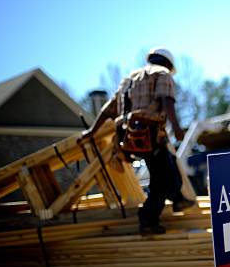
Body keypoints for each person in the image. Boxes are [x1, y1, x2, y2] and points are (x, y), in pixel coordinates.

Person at [82, 46, 194, 234]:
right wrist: (176, 127)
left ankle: (178, 199)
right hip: (150, 135)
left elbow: (110, 109)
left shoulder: (129, 79)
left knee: (168, 166)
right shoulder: (163, 73)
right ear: (167, 63)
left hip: (129, 138)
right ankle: (148, 220)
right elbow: (167, 100)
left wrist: (92, 131)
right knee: (161, 182)